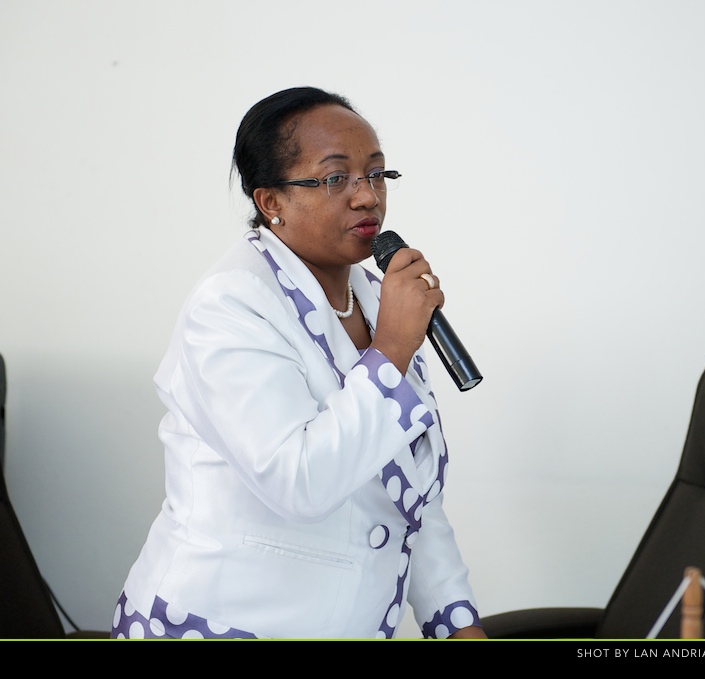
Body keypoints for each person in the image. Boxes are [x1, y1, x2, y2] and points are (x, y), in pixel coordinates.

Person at [112, 87, 484, 639]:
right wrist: (391, 350)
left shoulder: (376, 299)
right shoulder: (231, 304)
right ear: (271, 202)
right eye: (335, 178)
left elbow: (410, 499)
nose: (367, 197)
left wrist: (458, 624)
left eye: (377, 174)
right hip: (220, 624)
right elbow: (299, 482)